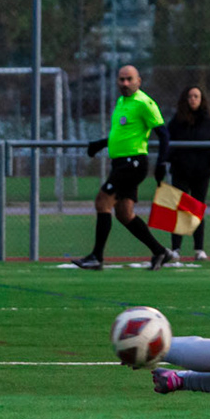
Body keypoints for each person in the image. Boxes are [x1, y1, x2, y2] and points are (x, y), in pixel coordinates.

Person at [74, 65, 176, 270]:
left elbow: (164, 134)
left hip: (133, 163)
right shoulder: (121, 102)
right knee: (124, 213)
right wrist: (101, 144)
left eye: (129, 79)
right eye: (121, 80)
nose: (125, 83)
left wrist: (162, 163)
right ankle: (160, 251)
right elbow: (122, 135)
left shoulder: (144, 103)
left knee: (102, 202)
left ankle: (96, 257)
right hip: (121, 163)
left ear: (139, 81)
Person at [161, 85, 210, 261]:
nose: (193, 99)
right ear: (184, 100)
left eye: (196, 96)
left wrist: (209, 163)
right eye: (190, 96)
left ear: (201, 100)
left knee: (197, 208)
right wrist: (173, 160)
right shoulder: (176, 122)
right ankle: (176, 248)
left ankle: (199, 249)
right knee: (180, 208)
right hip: (181, 171)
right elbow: (168, 143)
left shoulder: (208, 123)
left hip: (201, 173)